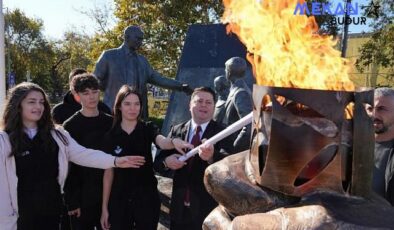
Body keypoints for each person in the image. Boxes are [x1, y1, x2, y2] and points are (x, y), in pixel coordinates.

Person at [0, 82, 144, 230]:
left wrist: (115, 161)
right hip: (20, 217)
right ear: (18, 105)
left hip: (52, 212)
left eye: (41, 102)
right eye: (31, 102)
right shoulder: (4, 141)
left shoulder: (57, 135)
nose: (38, 106)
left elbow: (83, 154)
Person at [100, 85, 193, 230]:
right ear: (119, 106)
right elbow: (108, 173)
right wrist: (104, 208)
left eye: (137, 104)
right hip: (119, 199)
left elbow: (162, 141)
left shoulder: (147, 128)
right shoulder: (110, 135)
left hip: (146, 197)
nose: (133, 108)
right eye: (127, 104)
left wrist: (174, 141)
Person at [154, 87, 235, 230]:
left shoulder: (223, 133)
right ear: (190, 105)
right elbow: (158, 164)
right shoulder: (177, 130)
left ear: (214, 106)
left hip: (207, 211)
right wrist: (167, 162)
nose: (204, 105)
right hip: (178, 210)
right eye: (199, 101)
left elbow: (231, 165)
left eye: (208, 102)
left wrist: (211, 157)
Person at [94, 25, 193, 119]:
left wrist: (180, 86)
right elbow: (94, 81)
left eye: (141, 39)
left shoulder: (142, 61)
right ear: (127, 37)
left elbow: (158, 79)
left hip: (137, 115)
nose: (140, 42)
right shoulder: (109, 56)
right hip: (113, 112)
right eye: (137, 38)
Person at [62, 73, 113, 229]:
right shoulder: (69, 126)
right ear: (77, 97)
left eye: (94, 91)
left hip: (109, 193)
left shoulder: (111, 122)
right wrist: (73, 201)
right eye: (86, 93)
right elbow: (68, 167)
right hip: (82, 197)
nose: (91, 97)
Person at [366, 87, 394, 205]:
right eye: (370, 109)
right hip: (351, 221)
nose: (374, 114)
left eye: (381, 109)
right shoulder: (350, 148)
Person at [223, 57, 253, 151]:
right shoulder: (236, 90)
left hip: (232, 152)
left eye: (225, 69)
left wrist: (234, 147)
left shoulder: (240, 93)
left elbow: (249, 125)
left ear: (228, 72)